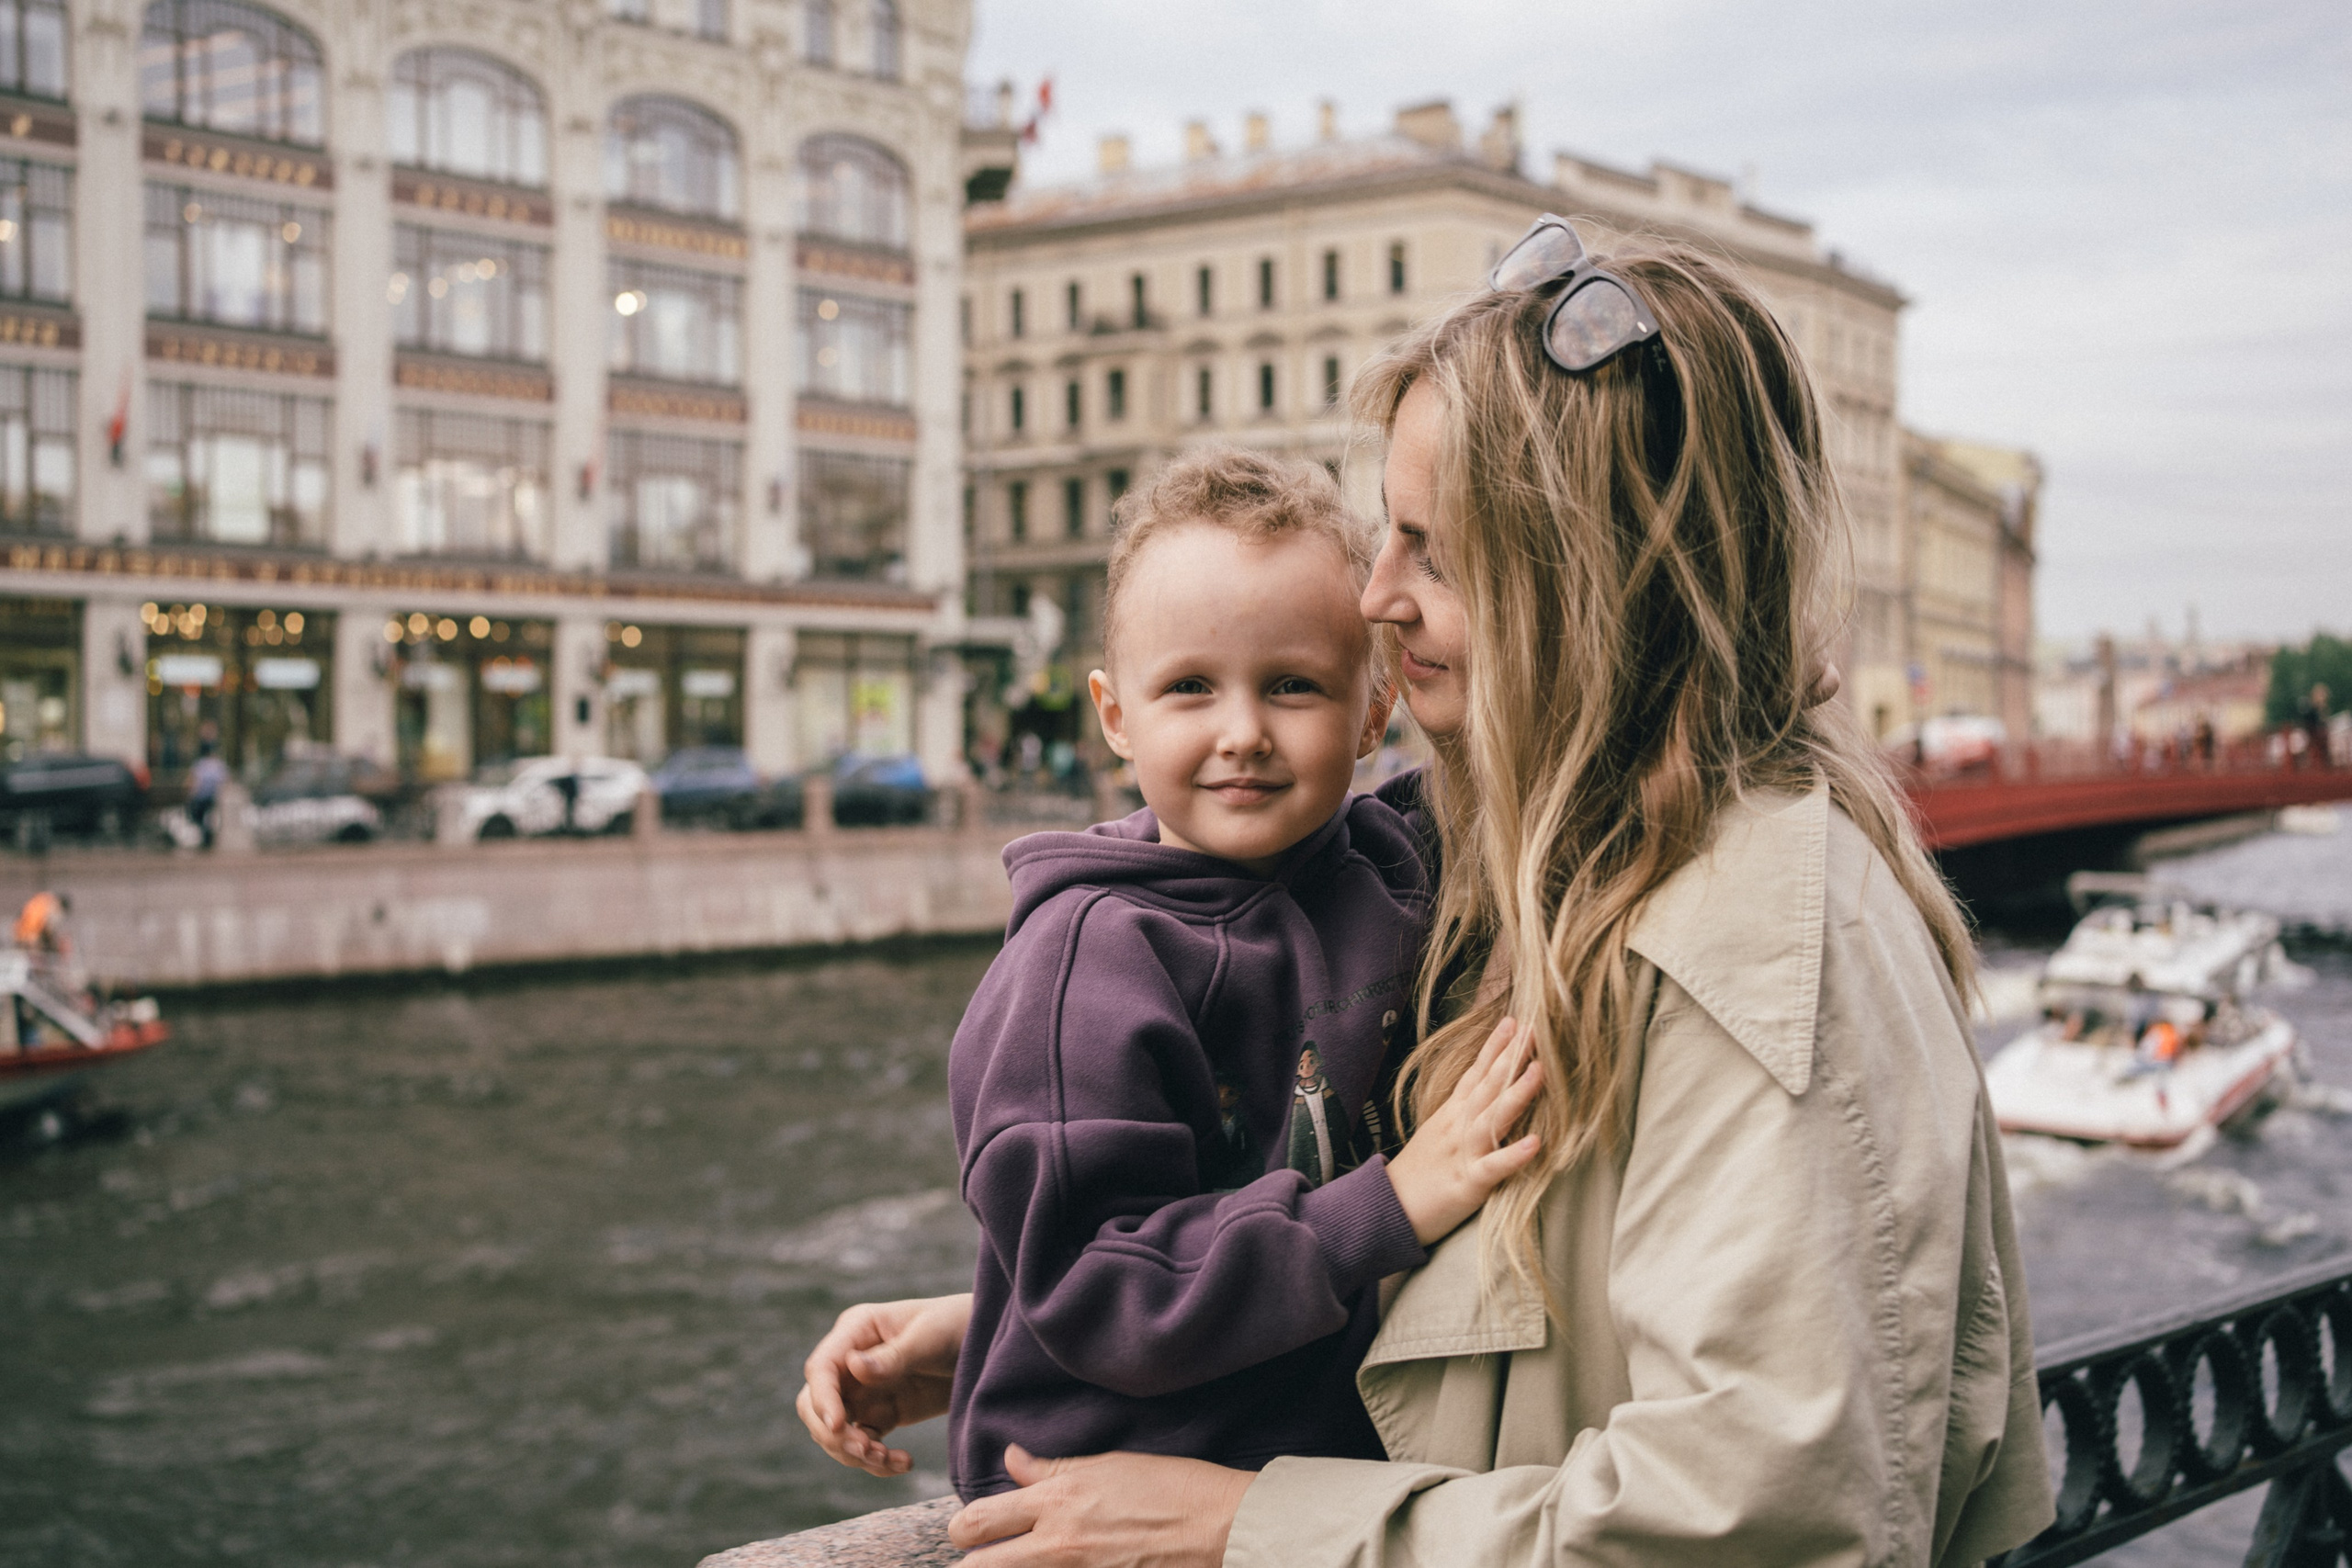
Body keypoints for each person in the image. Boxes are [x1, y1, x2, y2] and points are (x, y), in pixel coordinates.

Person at [800, 226, 2052, 1566]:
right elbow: (1531, 1269)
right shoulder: (1595, 853)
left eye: (1431, 552)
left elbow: (1758, 1521)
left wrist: (1245, 1522)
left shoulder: (1756, 946)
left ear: (1590, 578)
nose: (1375, 597)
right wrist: (1017, 1318)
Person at [932, 447, 1544, 1502]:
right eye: (1189, 688)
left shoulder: (1398, 862)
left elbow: (1554, 762)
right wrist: (1388, 1205)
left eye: (1293, 685)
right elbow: (1094, 1283)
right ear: (1115, 715)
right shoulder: (1084, 966)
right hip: (1097, 1487)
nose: (1243, 733)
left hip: (1298, 1472)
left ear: (1372, 710)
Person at [187, 739, 228, 851]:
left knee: (201, 819)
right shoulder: (219, 764)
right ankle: (208, 837)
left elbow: (193, 782)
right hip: (213, 798)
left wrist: (191, 795)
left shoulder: (199, 764)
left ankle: (205, 837)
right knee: (210, 820)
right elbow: (224, 782)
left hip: (201, 798)